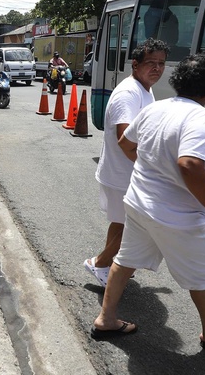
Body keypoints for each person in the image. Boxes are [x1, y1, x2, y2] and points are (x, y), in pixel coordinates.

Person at [92, 54, 205, 352]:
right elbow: (190, 163)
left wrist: (151, 168)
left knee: (125, 261)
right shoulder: (200, 117)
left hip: (140, 205)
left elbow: (127, 143)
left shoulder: (157, 108)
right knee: (201, 276)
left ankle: (106, 318)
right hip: (178, 215)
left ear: (178, 81)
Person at [84, 38, 168, 287]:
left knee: (124, 224)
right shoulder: (128, 94)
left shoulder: (144, 88)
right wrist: (151, 168)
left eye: (161, 63)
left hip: (128, 173)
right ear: (135, 64)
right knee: (128, 226)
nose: (157, 68)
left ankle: (108, 264)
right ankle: (99, 263)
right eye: (151, 63)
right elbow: (124, 139)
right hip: (123, 174)